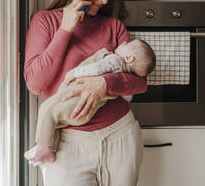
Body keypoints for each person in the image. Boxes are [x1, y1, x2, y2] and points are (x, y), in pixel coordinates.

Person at [24, 0, 148, 185]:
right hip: (66, 143)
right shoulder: (45, 21)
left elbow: (140, 82)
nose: (103, 0)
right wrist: (66, 29)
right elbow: (34, 83)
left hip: (120, 134)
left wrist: (104, 85)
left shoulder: (114, 27)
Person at [24, 39, 156, 166]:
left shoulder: (114, 60)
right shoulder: (122, 76)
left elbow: (96, 68)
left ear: (129, 58)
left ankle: (43, 146)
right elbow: (128, 96)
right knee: (56, 122)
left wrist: (75, 73)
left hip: (77, 102)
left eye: (128, 44)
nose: (124, 42)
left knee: (47, 109)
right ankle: (49, 149)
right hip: (84, 113)